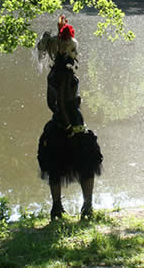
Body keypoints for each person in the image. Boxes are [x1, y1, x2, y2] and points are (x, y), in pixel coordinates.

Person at [37, 16, 103, 220]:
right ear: (64, 51)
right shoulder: (65, 73)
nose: (77, 54)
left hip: (56, 122)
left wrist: (61, 117)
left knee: (55, 166)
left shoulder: (54, 72)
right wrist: (71, 126)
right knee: (87, 163)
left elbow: (52, 103)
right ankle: (87, 207)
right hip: (70, 122)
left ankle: (56, 208)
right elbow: (65, 103)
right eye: (74, 50)